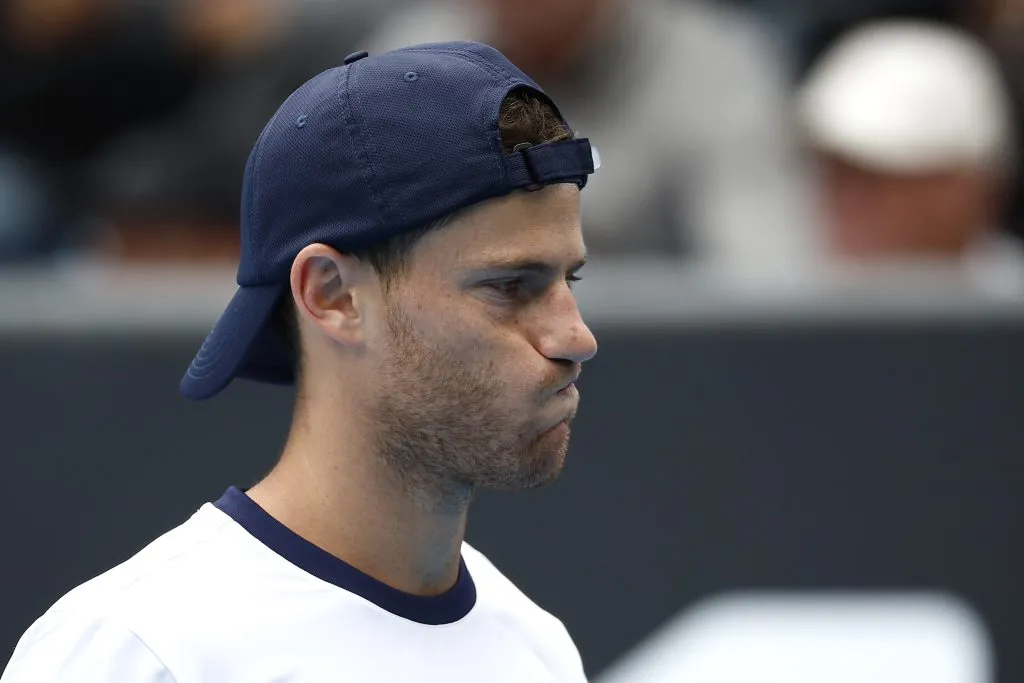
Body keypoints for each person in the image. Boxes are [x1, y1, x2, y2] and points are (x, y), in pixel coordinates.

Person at [2, 41, 599, 682]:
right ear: (332, 295)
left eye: (571, 279)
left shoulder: (538, 648)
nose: (576, 337)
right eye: (510, 285)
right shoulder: (138, 652)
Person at [367, 0, 822, 280]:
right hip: (463, 372)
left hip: (664, 378)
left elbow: (762, 277)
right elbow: (378, 268)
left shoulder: (718, 66)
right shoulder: (411, 57)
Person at [797, 20, 1023, 296]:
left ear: (969, 190)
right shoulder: (776, 309)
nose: (848, 204)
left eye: (878, 178)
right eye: (835, 173)